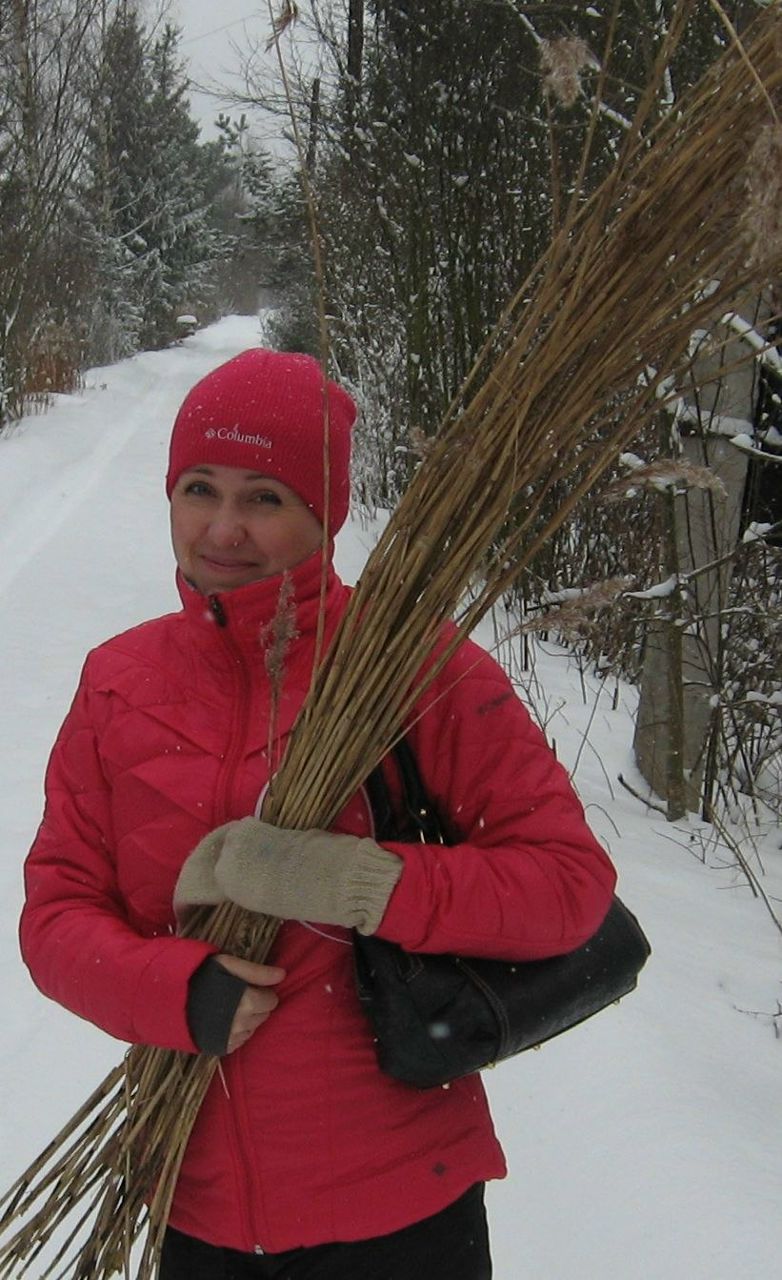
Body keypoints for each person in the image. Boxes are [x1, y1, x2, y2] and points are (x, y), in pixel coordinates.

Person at [20, 347, 617, 1280]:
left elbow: (570, 887)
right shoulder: (118, 682)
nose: (223, 528)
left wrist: (356, 882)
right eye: (197, 488)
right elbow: (57, 915)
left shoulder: (414, 669)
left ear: (324, 513)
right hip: (192, 1197)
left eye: (266, 497)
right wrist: (172, 990)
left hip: (399, 1208)